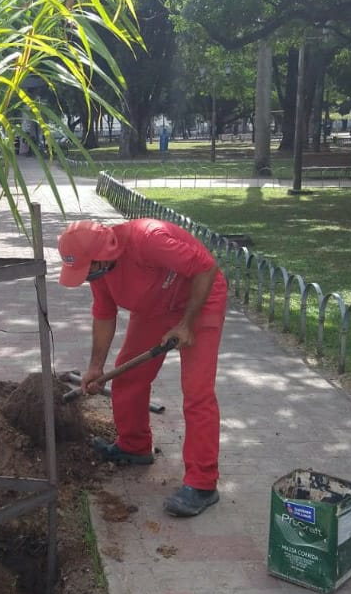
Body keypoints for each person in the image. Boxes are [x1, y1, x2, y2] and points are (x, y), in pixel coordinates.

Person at [57, 219, 227, 517]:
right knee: (128, 375)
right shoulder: (101, 272)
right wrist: (95, 367)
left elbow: (206, 267)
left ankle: (202, 483)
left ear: (103, 255)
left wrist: (185, 324)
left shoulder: (148, 240)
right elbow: (104, 314)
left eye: (88, 270)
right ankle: (134, 446)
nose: (87, 278)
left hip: (200, 298)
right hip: (156, 307)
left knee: (197, 391)